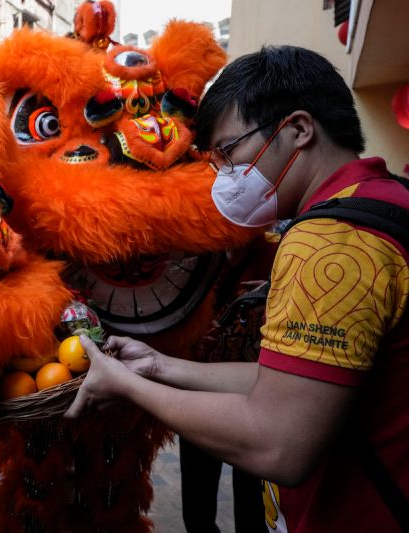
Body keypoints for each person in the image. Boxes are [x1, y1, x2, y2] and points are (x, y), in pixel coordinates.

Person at [66, 45, 409, 532]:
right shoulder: (388, 199)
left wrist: (129, 387)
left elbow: (278, 442)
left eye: (229, 153)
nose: (224, 177)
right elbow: (295, 384)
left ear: (298, 129)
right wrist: (159, 366)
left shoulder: (330, 240)